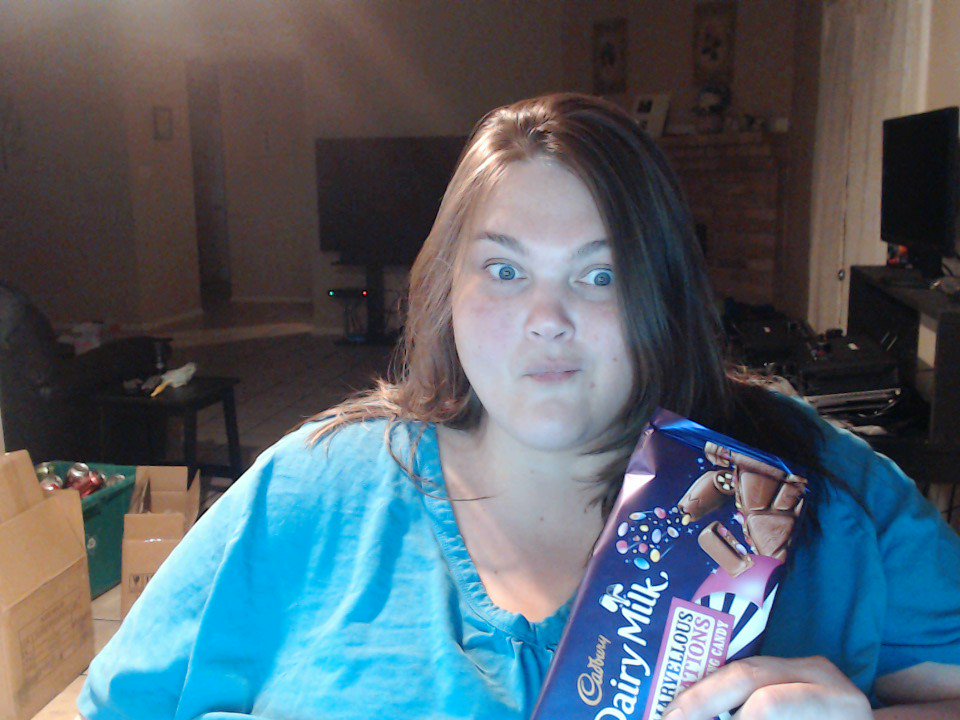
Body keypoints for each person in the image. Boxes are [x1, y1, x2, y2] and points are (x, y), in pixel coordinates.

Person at [78, 93, 960, 719]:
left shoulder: (827, 487)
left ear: (665, 292)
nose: (548, 318)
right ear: (446, 291)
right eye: (505, 270)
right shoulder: (312, 491)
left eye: (601, 274)